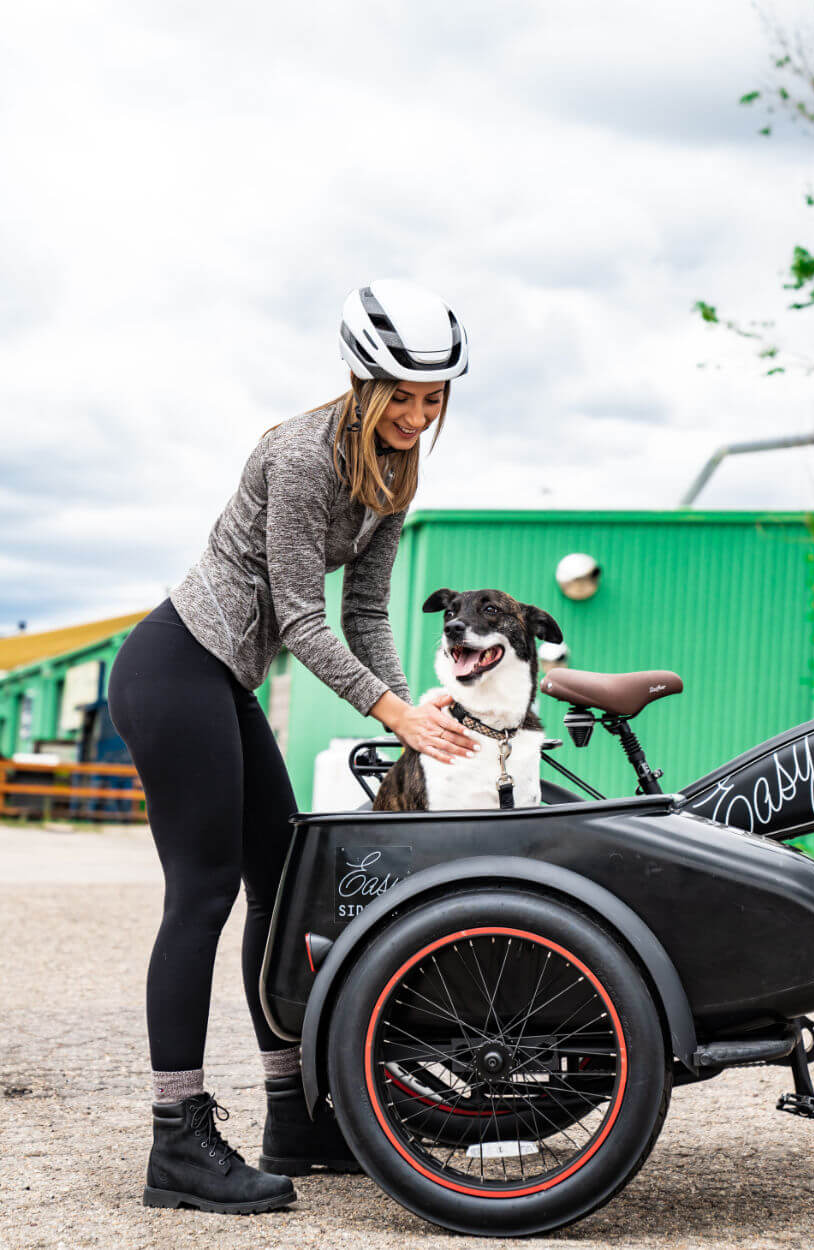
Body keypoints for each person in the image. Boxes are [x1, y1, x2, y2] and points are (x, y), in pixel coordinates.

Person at [107, 279, 480, 1214]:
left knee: (284, 889)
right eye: (401, 397)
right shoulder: (302, 454)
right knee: (203, 895)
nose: (416, 416)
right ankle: (177, 1140)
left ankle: (295, 1117)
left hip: (223, 681)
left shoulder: (396, 471)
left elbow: (365, 611)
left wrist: (407, 703)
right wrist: (391, 714)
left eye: (433, 399)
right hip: (175, 667)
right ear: (363, 381)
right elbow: (301, 615)